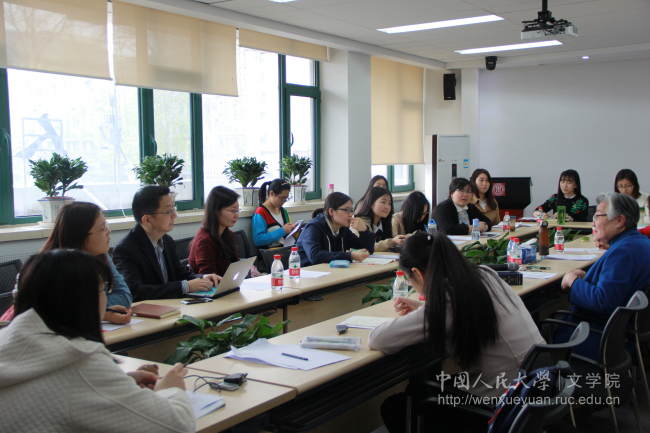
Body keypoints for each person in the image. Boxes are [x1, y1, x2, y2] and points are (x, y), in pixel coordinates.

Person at [0, 249, 195, 433]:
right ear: (85, 299)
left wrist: (119, 383)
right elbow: (177, 425)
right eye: (105, 290)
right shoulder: (80, 363)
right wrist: (170, 389)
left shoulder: (10, 340)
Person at [369, 233, 544, 432]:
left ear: (417, 273)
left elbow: (378, 339)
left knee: (396, 407)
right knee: (425, 389)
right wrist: (422, 308)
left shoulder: (447, 299)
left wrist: (427, 311)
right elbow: (466, 309)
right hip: (536, 386)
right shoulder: (485, 274)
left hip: (501, 405)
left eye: (411, 280)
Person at [0, 202, 133, 325]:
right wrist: (99, 312)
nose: (108, 232)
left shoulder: (101, 256)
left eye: (106, 226)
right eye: (102, 229)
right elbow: (48, 313)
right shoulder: (47, 268)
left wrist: (95, 310)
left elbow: (124, 296)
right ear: (80, 236)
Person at [558, 193, 650, 359]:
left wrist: (574, 281)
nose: (593, 222)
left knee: (539, 330)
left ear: (619, 221)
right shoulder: (642, 242)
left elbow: (603, 301)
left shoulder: (622, 252)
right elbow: (622, 284)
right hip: (624, 334)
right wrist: (588, 277)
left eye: (598, 216)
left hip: (595, 335)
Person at [113, 185, 220, 302]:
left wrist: (203, 277)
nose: (174, 215)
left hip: (172, 306)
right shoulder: (126, 249)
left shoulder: (166, 240)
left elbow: (179, 274)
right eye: (169, 211)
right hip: (149, 310)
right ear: (147, 219)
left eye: (173, 209)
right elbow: (135, 291)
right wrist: (184, 287)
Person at [296, 192, 375, 266]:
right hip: (308, 273)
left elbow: (367, 251)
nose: (351, 214)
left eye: (351, 210)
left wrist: (364, 231)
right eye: (346, 210)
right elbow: (315, 256)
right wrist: (350, 255)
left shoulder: (343, 229)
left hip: (333, 272)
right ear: (331, 212)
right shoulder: (313, 228)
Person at [189, 186, 241, 276]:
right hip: (214, 285)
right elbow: (210, 277)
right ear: (216, 210)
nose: (237, 215)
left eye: (237, 210)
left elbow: (236, 266)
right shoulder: (204, 241)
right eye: (232, 211)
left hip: (228, 283)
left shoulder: (229, 235)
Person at [352, 187, 406, 251]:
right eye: (383, 202)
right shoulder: (359, 221)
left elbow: (394, 237)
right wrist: (392, 242)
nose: (387, 207)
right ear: (371, 203)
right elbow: (368, 246)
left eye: (389, 203)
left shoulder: (384, 221)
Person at [252, 179, 296, 249]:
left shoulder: (283, 211)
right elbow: (258, 239)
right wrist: (282, 231)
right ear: (271, 193)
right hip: (272, 253)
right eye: (282, 198)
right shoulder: (261, 212)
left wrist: (294, 230)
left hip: (287, 250)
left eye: (286, 198)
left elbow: (288, 232)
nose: (284, 201)